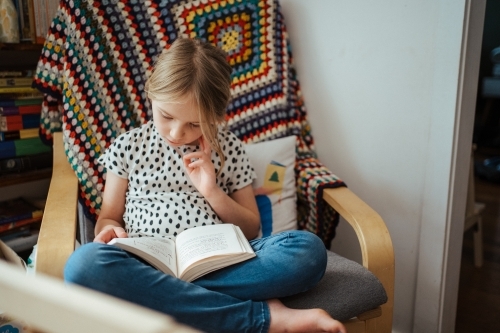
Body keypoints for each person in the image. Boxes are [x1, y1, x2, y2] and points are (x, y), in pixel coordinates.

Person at [64, 38, 346, 333]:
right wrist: (108, 230)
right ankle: (267, 318)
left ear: (216, 116)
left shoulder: (229, 150)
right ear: (151, 94)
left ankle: (159, 295)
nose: (176, 133)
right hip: (145, 261)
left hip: (221, 262)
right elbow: (109, 216)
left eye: (195, 124)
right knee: (82, 265)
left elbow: (251, 228)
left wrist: (211, 190)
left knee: (307, 251)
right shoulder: (128, 147)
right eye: (167, 116)